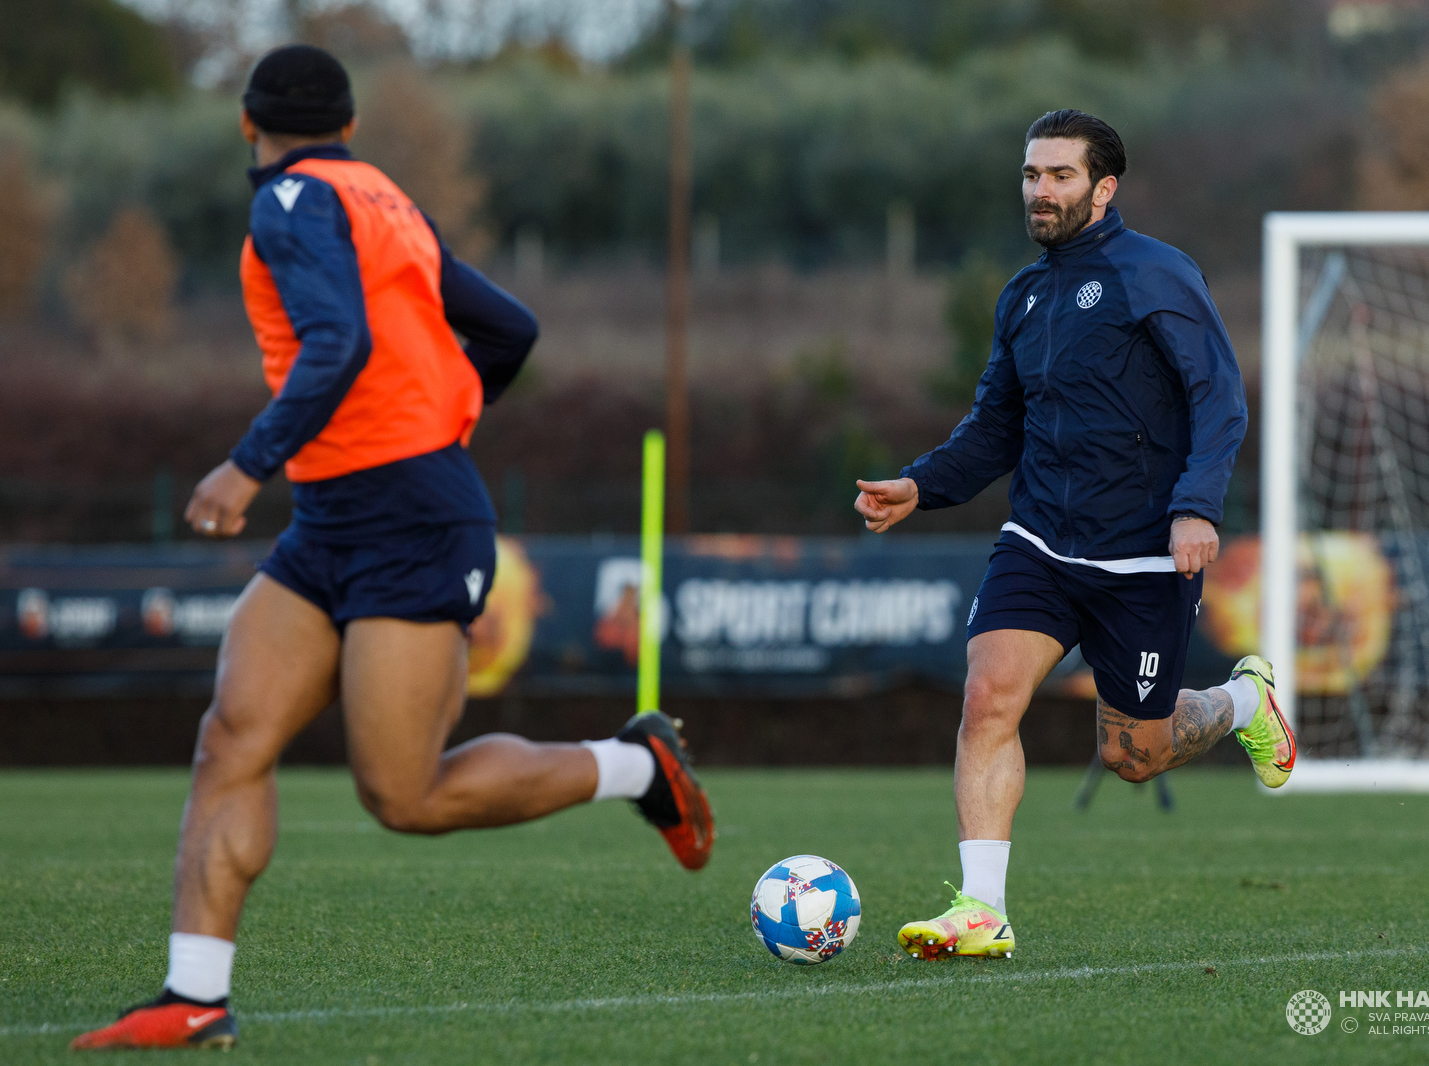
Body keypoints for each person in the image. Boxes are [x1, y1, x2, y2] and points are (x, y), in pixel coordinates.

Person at [71, 45, 713, 1052]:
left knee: (403, 795)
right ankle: (194, 995)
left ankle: (635, 767)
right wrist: (438, 413)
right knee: (233, 735)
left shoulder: (287, 201)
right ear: (351, 125)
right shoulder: (385, 199)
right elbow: (507, 330)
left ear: (248, 124)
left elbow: (336, 343)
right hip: (337, 516)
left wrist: (246, 464)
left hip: (410, 519)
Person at [853, 109, 1293, 963]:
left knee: (1136, 755)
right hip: (1042, 541)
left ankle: (1245, 703)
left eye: (1059, 175)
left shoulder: (1155, 273)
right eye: (1031, 175)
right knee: (987, 697)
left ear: (1104, 187)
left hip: (1144, 555)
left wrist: (1197, 505)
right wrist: (921, 484)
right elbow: (995, 428)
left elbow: (1219, 397)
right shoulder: (1024, 296)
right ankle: (983, 909)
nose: (1041, 190)